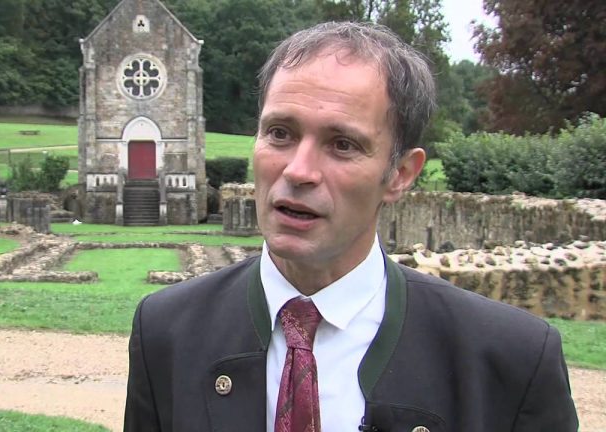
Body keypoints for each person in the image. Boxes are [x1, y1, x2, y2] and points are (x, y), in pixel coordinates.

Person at [124, 21, 578, 432]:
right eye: (280, 133)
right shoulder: (166, 331)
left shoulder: (510, 360)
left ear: (400, 173)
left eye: (342, 144)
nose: (298, 170)